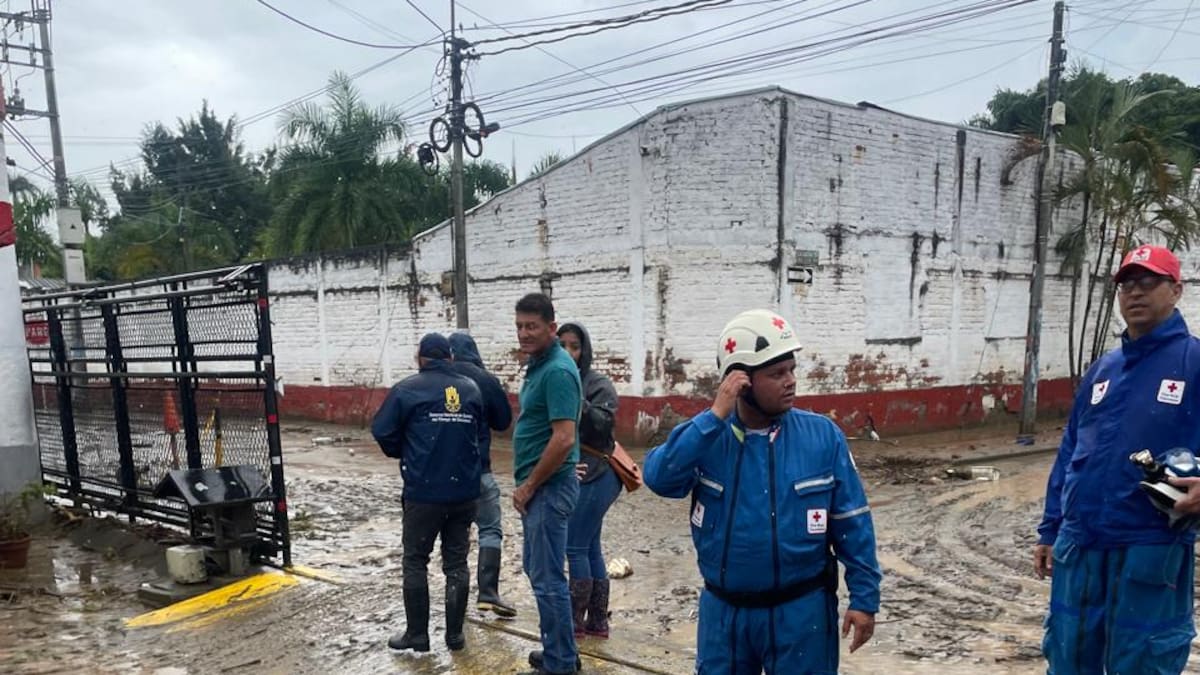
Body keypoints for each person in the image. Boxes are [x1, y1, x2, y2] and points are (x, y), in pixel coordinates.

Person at [643, 309, 881, 674]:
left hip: (801, 617)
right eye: (776, 374)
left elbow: (852, 523)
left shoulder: (822, 437)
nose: (790, 381)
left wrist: (864, 599)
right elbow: (659, 478)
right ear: (741, 381)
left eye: (791, 370)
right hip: (724, 619)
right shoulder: (708, 436)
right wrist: (713, 417)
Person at [1036, 244, 1200, 674]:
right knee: (1069, 656)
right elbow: (1072, 452)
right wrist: (1051, 527)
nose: (1135, 293)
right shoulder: (1102, 371)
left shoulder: (1194, 363)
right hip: (1080, 545)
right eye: (1127, 285)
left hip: (1150, 547)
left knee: (1142, 660)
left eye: (1149, 282)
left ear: (1177, 290)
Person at [371, 333, 484, 653]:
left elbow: (382, 431)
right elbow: (479, 432)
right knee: (456, 563)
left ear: (420, 357)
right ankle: (455, 637)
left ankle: (418, 636)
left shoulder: (407, 389)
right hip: (464, 493)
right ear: (449, 357)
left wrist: (404, 451)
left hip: (423, 493)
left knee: (415, 561)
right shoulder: (471, 389)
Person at [510, 293, 583, 675]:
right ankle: (562, 651)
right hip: (544, 486)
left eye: (532, 326)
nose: (524, 333)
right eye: (520, 326)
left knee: (548, 579)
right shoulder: (539, 365)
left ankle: (560, 663)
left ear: (551, 328)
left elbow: (564, 438)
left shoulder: (556, 369)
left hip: (548, 489)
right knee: (539, 571)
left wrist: (529, 486)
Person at [557, 321, 622, 639]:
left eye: (575, 346)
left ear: (585, 350)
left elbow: (602, 427)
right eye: (563, 345)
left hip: (599, 473)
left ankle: (574, 623)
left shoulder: (598, 384)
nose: (568, 352)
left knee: (575, 546)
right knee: (591, 546)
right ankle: (597, 621)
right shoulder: (555, 377)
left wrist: (577, 400)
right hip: (577, 470)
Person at [447, 331, 518, 619]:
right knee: (489, 528)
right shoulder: (484, 379)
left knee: (455, 535)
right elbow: (503, 422)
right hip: (478, 470)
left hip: (441, 477)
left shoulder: (432, 380)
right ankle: (487, 592)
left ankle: (455, 598)